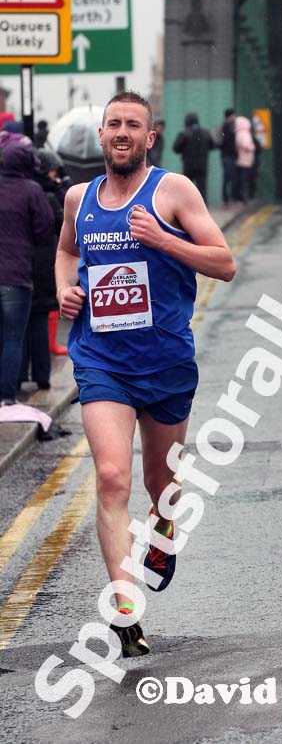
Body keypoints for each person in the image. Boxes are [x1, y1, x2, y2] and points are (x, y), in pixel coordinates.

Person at [55, 91, 236, 656]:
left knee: (163, 487)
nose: (122, 132)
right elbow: (65, 252)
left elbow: (225, 263)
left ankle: (163, 531)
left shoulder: (173, 191)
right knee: (112, 477)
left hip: (165, 361)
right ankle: (125, 605)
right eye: (114, 124)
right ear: (102, 135)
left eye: (133, 124)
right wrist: (66, 288)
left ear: (150, 137)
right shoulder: (78, 198)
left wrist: (162, 239)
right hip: (101, 359)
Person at [0, 144, 54, 405]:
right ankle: (6, 397)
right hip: (17, 276)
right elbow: (44, 230)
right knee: (13, 338)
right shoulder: (32, 191)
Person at [20, 150, 69, 391]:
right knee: (38, 320)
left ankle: (18, 376)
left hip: (19, 265)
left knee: (17, 326)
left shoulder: (19, 190)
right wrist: (61, 188)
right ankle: (42, 377)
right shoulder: (47, 196)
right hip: (42, 264)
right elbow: (60, 224)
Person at [172, 112, 214, 201]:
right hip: (202, 164)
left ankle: (187, 209)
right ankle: (203, 209)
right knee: (202, 188)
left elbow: (175, 148)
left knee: (187, 188)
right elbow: (212, 145)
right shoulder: (206, 132)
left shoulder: (184, 133)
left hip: (189, 165)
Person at [217, 108, 237, 206]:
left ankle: (227, 200)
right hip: (228, 156)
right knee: (228, 178)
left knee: (227, 178)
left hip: (225, 155)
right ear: (231, 115)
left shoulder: (224, 125)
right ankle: (226, 200)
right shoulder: (228, 126)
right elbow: (229, 142)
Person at [234, 116, 255, 203]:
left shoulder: (238, 133)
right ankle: (244, 198)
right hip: (245, 161)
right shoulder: (244, 133)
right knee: (244, 180)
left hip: (241, 160)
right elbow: (246, 145)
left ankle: (241, 197)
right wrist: (252, 147)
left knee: (242, 180)